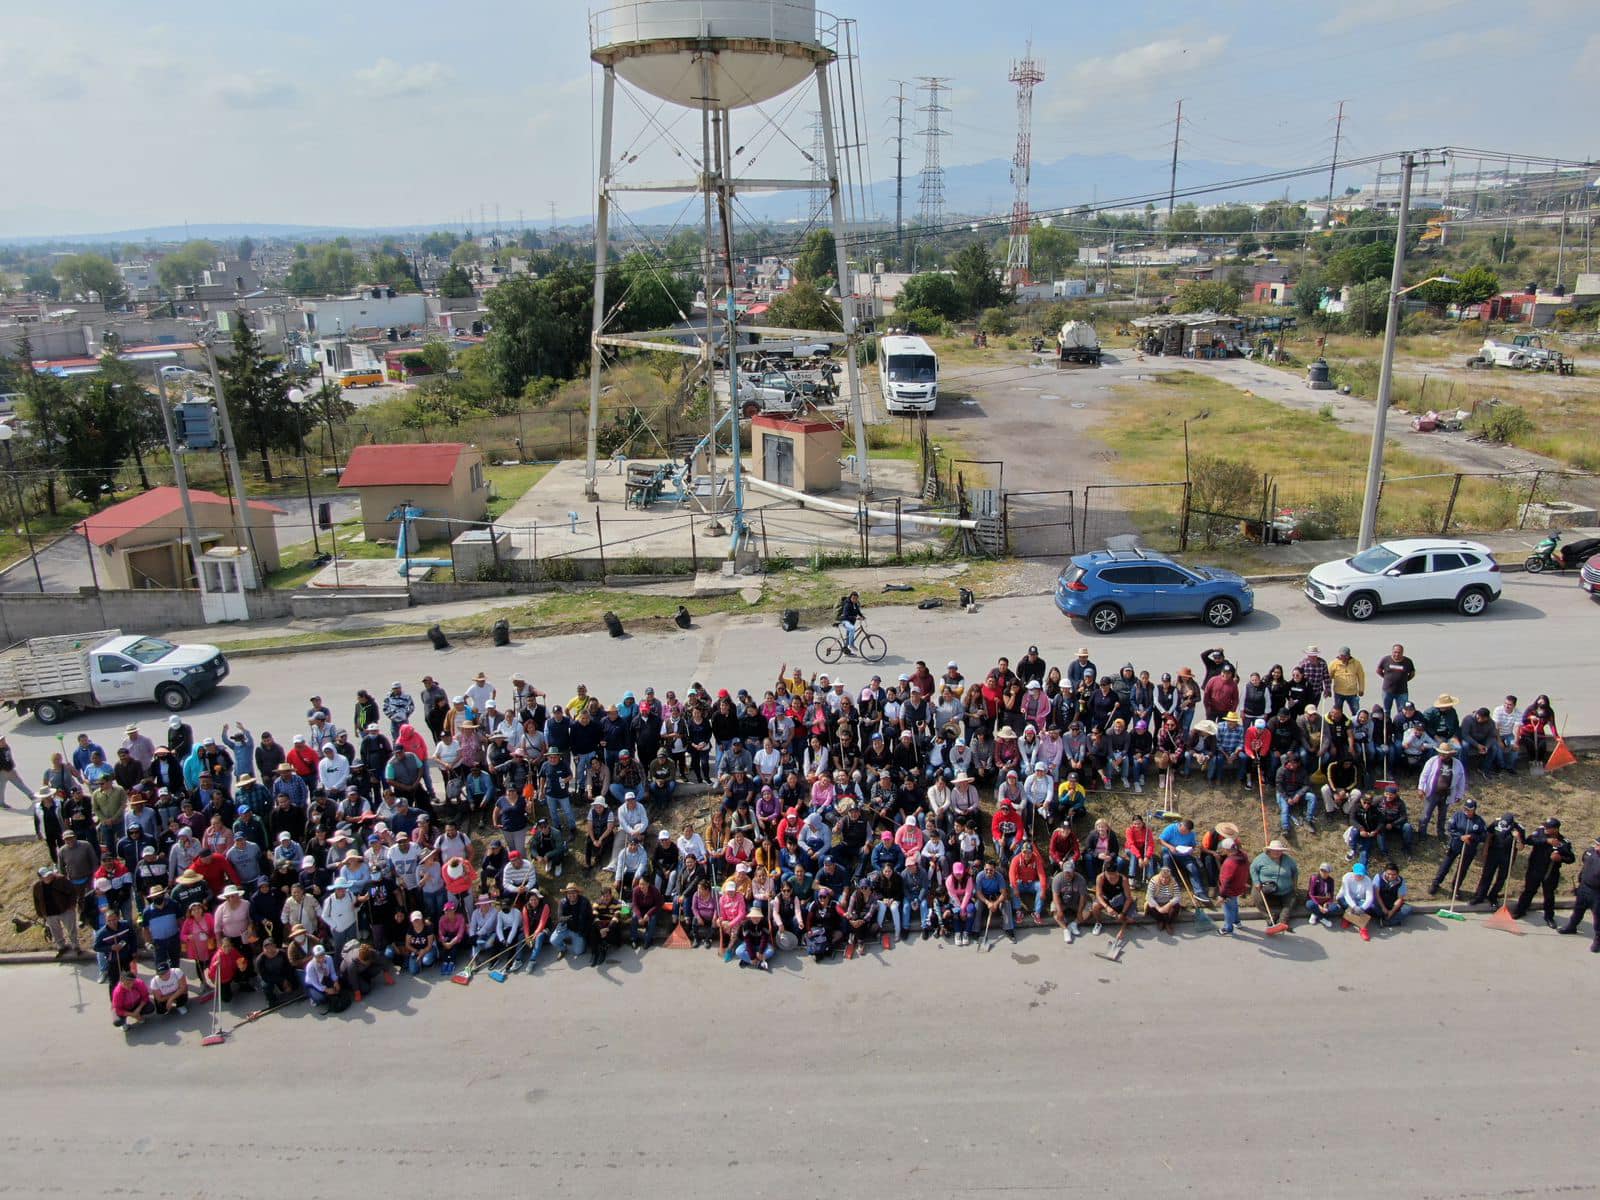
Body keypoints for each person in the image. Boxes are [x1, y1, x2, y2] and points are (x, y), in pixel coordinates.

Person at [1512, 818, 1575, 928]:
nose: (1545, 828)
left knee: (1549, 895)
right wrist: (1546, 841)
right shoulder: (1540, 832)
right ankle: (1520, 910)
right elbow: (1529, 840)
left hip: (1550, 873)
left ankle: (1549, 917)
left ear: (1555, 829)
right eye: (1545, 826)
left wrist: (1560, 858)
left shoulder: (1563, 842)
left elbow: (1571, 858)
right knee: (1529, 891)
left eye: (1548, 827)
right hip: (1535, 869)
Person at [1430, 799, 1486, 898]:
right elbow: (1450, 829)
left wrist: (1471, 837)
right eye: (1465, 808)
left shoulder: (1479, 821)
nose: (1466, 811)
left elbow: (1483, 836)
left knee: (1462, 869)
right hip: (1455, 845)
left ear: (1474, 810)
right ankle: (1436, 883)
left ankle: (1455, 888)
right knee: (1445, 865)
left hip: (1469, 848)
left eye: (1469, 809)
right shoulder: (1457, 815)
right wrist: (1460, 836)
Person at [1469, 813, 1526, 908]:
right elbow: (1489, 836)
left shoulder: (1519, 828)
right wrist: (1485, 849)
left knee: (1502, 877)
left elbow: (1521, 848)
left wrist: (1518, 838)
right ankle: (1480, 896)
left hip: (1507, 856)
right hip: (1494, 853)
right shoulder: (1496, 823)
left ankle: (1493, 896)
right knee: (1487, 875)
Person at [1557, 832, 1600, 951]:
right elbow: (1584, 862)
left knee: (1598, 917)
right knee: (1578, 909)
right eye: (1595, 844)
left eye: (1598, 845)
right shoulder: (1590, 852)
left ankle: (1598, 939)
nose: (1595, 846)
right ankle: (1571, 926)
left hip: (1597, 893)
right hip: (1584, 887)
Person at [1417, 744, 1467, 840]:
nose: (1442, 755)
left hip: (1446, 794)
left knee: (1442, 816)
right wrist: (1421, 788)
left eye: (1445, 754)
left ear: (1450, 754)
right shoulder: (1432, 761)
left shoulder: (1457, 764)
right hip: (1432, 793)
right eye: (1441, 753)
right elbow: (1424, 775)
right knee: (1426, 815)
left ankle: (1441, 834)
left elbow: (1461, 780)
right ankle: (1422, 834)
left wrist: (1459, 794)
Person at [31, 865, 80, 957]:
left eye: (49, 875)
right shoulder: (37, 887)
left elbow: (73, 892)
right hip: (49, 913)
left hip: (65, 910)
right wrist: (41, 914)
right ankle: (61, 947)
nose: (49, 877)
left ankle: (75, 945)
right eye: (46, 876)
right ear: (41, 878)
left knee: (71, 929)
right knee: (55, 931)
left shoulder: (61, 880)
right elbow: (36, 901)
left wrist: (72, 905)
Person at [1250, 839, 1299, 932]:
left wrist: (1294, 885)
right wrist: (1256, 882)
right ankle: (1270, 917)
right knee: (1255, 894)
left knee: (1291, 902)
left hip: (1286, 890)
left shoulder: (1288, 860)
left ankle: (1282, 922)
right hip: (1267, 889)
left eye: (1279, 850)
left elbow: (1295, 872)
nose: (1277, 852)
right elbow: (1253, 869)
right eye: (1275, 850)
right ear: (1270, 850)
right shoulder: (1261, 858)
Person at [1087, 860, 1132, 936]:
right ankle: (1098, 923)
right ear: (1105, 871)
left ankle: (1121, 918)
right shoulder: (1100, 878)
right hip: (1106, 899)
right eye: (1109, 874)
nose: (1111, 876)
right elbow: (1098, 895)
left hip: (1119, 900)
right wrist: (1107, 907)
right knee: (1095, 906)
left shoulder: (1123, 879)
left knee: (1130, 919)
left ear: (1116, 871)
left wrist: (1123, 913)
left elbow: (1128, 898)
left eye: (1113, 874)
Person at [1338, 862, 1379, 942]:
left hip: (1360, 900)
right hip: (1349, 899)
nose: (1360, 877)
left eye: (1362, 875)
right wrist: (1354, 906)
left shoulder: (1367, 880)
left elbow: (1369, 896)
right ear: (1353, 873)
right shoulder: (1346, 877)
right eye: (1358, 875)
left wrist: (1362, 907)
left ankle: (1362, 928)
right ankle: (1348, 917)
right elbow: (1346, 894)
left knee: (1368, 906)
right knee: (1341, 899)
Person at [1217, 838, 1250, 936]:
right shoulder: (1243, 855)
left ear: (1227, 849)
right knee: (1234, 905)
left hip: (1229, 891)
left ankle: (1228, 928)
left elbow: (1226, 881)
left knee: (1228, 909)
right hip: (1238, 886)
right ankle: (1237, 922)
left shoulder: (1230, 863)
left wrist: (1222, 896)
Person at [1375, 644, 1415, 722]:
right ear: (1392, 652)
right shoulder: (1385, 660)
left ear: (1402, 652)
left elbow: (1412, 673)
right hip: (1387, 691)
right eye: (1395, 652)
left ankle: (1399, 728)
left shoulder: (1408, 661)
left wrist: (1404, 680)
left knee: (1402, 712)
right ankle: (1387, 728)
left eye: (1399, 652)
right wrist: (1386, 678)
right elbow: (1378, 670)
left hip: (1402, 692)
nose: (1397, 654)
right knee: (1386, 711)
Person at [1144, 866, 1183, 935]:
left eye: (1166, 878)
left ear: (1169, 877)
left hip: (1168, 901)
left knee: (1177, 905)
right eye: (1162, 877)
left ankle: (1168, 923)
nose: (1164, 880)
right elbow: (1149, 896)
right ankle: (1160, 921)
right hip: (1157, 902)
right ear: (1159, 876)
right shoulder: (1154, 881)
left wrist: (1168, 905)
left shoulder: (1173, 882)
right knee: (1150, 905)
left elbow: (1177, 896)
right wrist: (1158, 908)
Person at [1374, 861, 1413, 928]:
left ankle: (1386, 921)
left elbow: (1400, 898)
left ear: (1397, 874)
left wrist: (1391, 912)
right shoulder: (1378, 877)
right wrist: (1383, 908)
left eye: (1394, 874)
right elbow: (1376, 894)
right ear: (1385, 872)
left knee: (1408, 909)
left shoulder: (1401, 880)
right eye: (1388, 874)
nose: (1391, 876)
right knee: (1372, 907)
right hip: (1380, 903)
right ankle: (1391, 919)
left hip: (1393, 904)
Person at [1306, 862, 1343, 928]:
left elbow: (1331, 895)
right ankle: (1321, 918)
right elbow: (1310, 894)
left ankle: (1315, 913)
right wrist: (1319, 906)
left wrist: (1326, 904)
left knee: (1336, 907)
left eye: (1326, 871)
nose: (1323, 873)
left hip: (1324, 901)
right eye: (1322, 870)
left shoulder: (1331, 880)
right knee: (1309, 904)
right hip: (1314, 901)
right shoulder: (1314, 878)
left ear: (1329, 872)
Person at [836, 591, 864, 656]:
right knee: (852, 629)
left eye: (856, 598)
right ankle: (851, 645)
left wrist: (862, 616)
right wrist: (855, 618)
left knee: (849, 636)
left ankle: (846, 652)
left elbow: (858, 611)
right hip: (845, 621)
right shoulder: (847, 604)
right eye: (853, 598)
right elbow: (846, 616)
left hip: (850, 622)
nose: (855, 600)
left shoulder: (855, 604)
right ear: (851, 597)